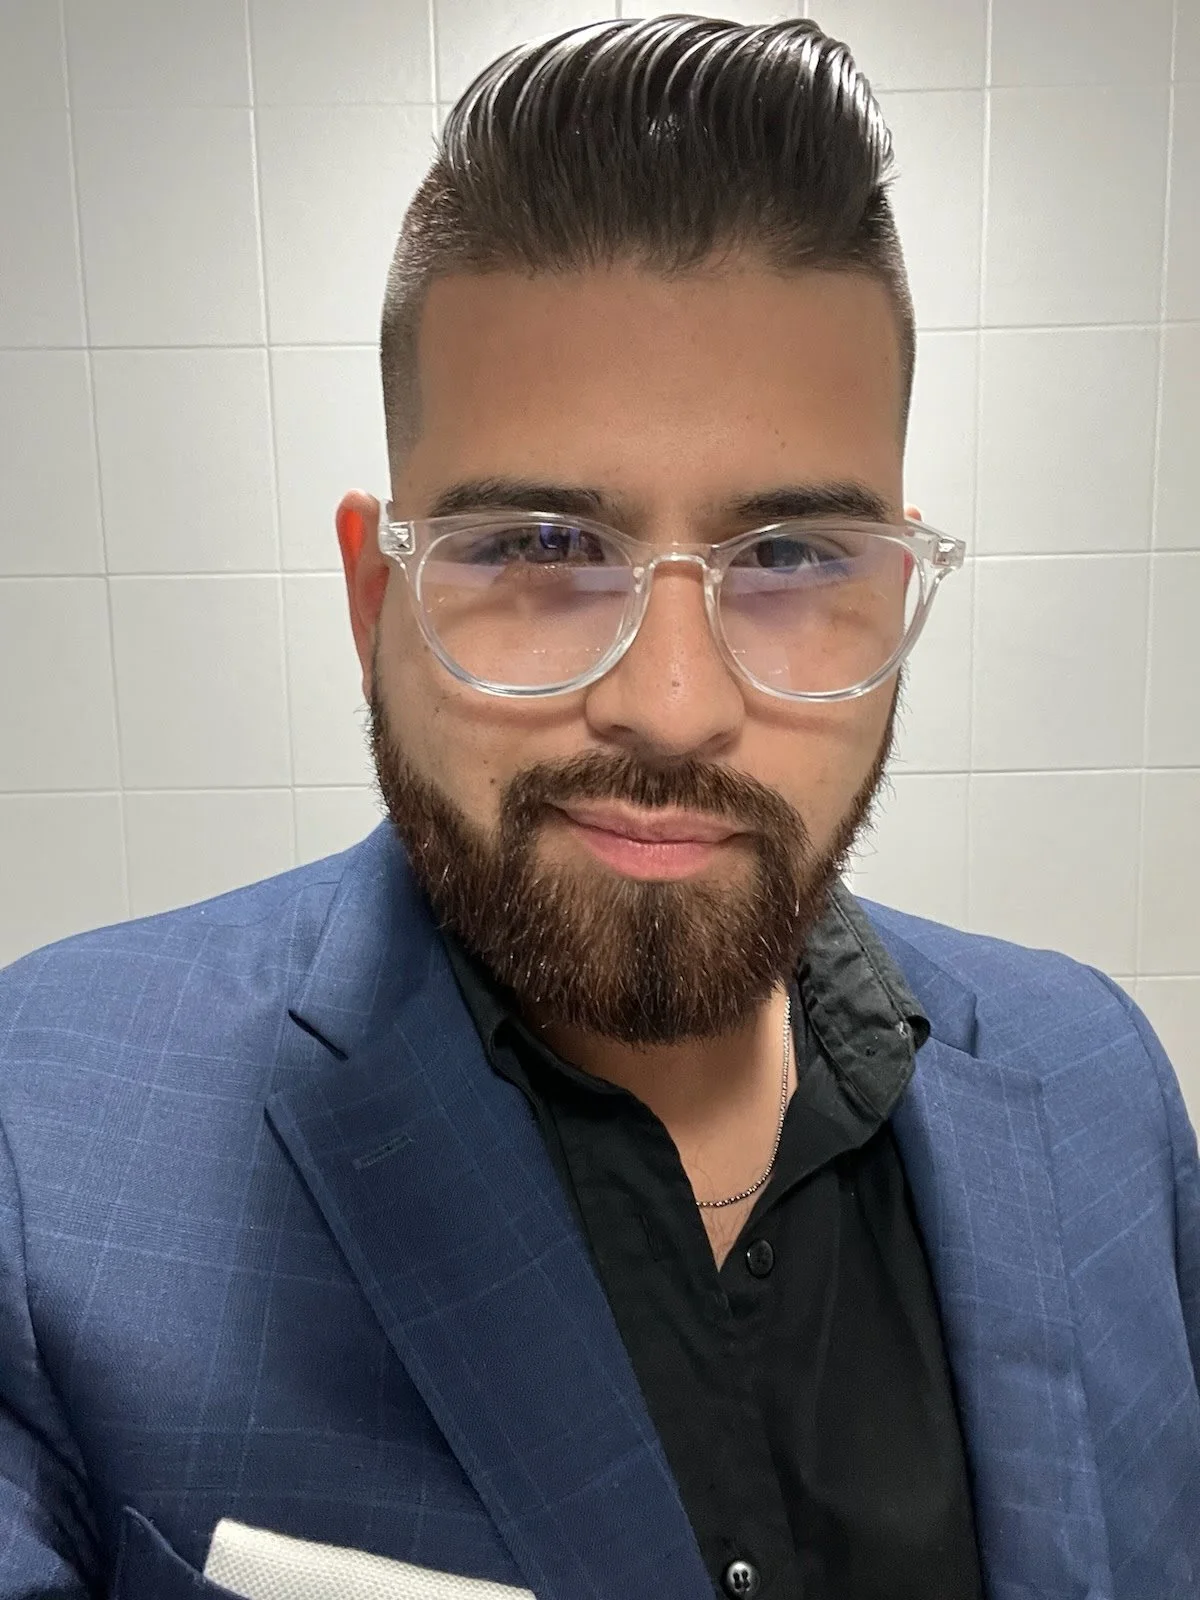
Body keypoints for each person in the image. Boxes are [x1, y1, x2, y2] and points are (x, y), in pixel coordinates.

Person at [1, 14, 1196, 1600]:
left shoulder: (1101, 1088)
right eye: (543, 549)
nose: (675, 704)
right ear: (374, 601)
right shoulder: (42, 1146)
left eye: (792, 558)